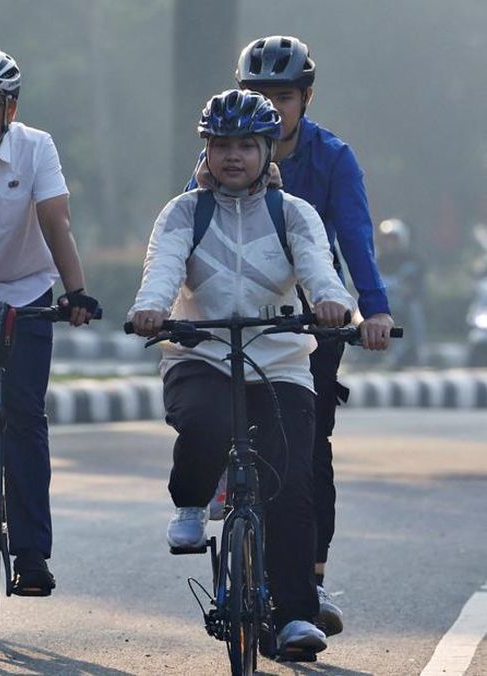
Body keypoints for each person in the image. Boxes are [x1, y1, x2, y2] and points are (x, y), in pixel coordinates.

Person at [132, 89, 356, 655]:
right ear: (205, 152)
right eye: (221, 145)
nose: (233, 156)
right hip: (199, 354)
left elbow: (319, 271)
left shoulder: (293, 212)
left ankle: (294, 618)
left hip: (279, 360)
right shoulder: (184, 211)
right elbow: (162, 269)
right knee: (204, 426)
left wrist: (333, 305)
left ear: (267, 151)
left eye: (246, 146)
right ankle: (189, 501)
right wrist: (152, 309)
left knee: (293, 485)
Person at [186, 36, 393, 636]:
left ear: (306, 97)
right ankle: (231, 505)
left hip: (311, 313)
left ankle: (310, 576)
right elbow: (187, 229)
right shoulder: (223, 151)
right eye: (258, 95)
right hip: (232, 311)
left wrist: (370, 311)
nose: (271, 108)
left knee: (305, 452)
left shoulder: (332, 157)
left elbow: (355, 236)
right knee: (223, 423)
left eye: (283, 96)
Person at [0, 46, 97, 596]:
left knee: (25, 415)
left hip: (25, 293)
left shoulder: (37, 148)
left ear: (11, 109)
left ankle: (30, 553)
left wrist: (76, 291)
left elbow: (57, 221)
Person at [375, 219, 426, 368]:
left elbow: (415, 287)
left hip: (404, 303)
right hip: (382, 304)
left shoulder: (413, 261)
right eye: (387, 240)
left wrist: (407, 292)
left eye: (394, 240)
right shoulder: (376, 260)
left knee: (414, 310)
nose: (390, 244)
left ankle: (417, 349)